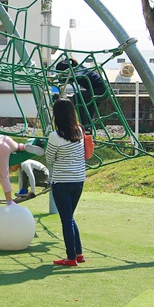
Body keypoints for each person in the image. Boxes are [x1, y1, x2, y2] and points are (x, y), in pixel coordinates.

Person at [45, 98, 88, 266]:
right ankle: (78, 254)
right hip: (78, 180)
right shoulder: (79, 131)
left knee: (66, 220)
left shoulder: (55, 136)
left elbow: (49, 158)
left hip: (62, 182)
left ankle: (71, 258)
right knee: (69, 217)